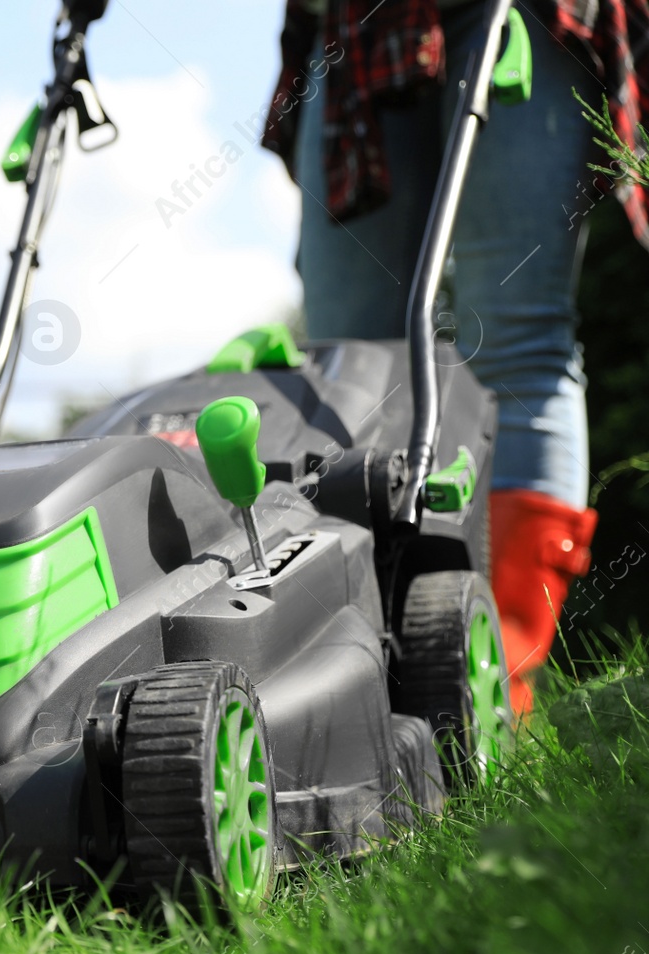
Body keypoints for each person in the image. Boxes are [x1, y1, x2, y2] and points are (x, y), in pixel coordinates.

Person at [261, 0, 649, 711]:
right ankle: (364, 687)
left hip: (529, 14)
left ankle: (501, 685)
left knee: (518, 336)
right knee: (344, 365)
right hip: (356, 27)